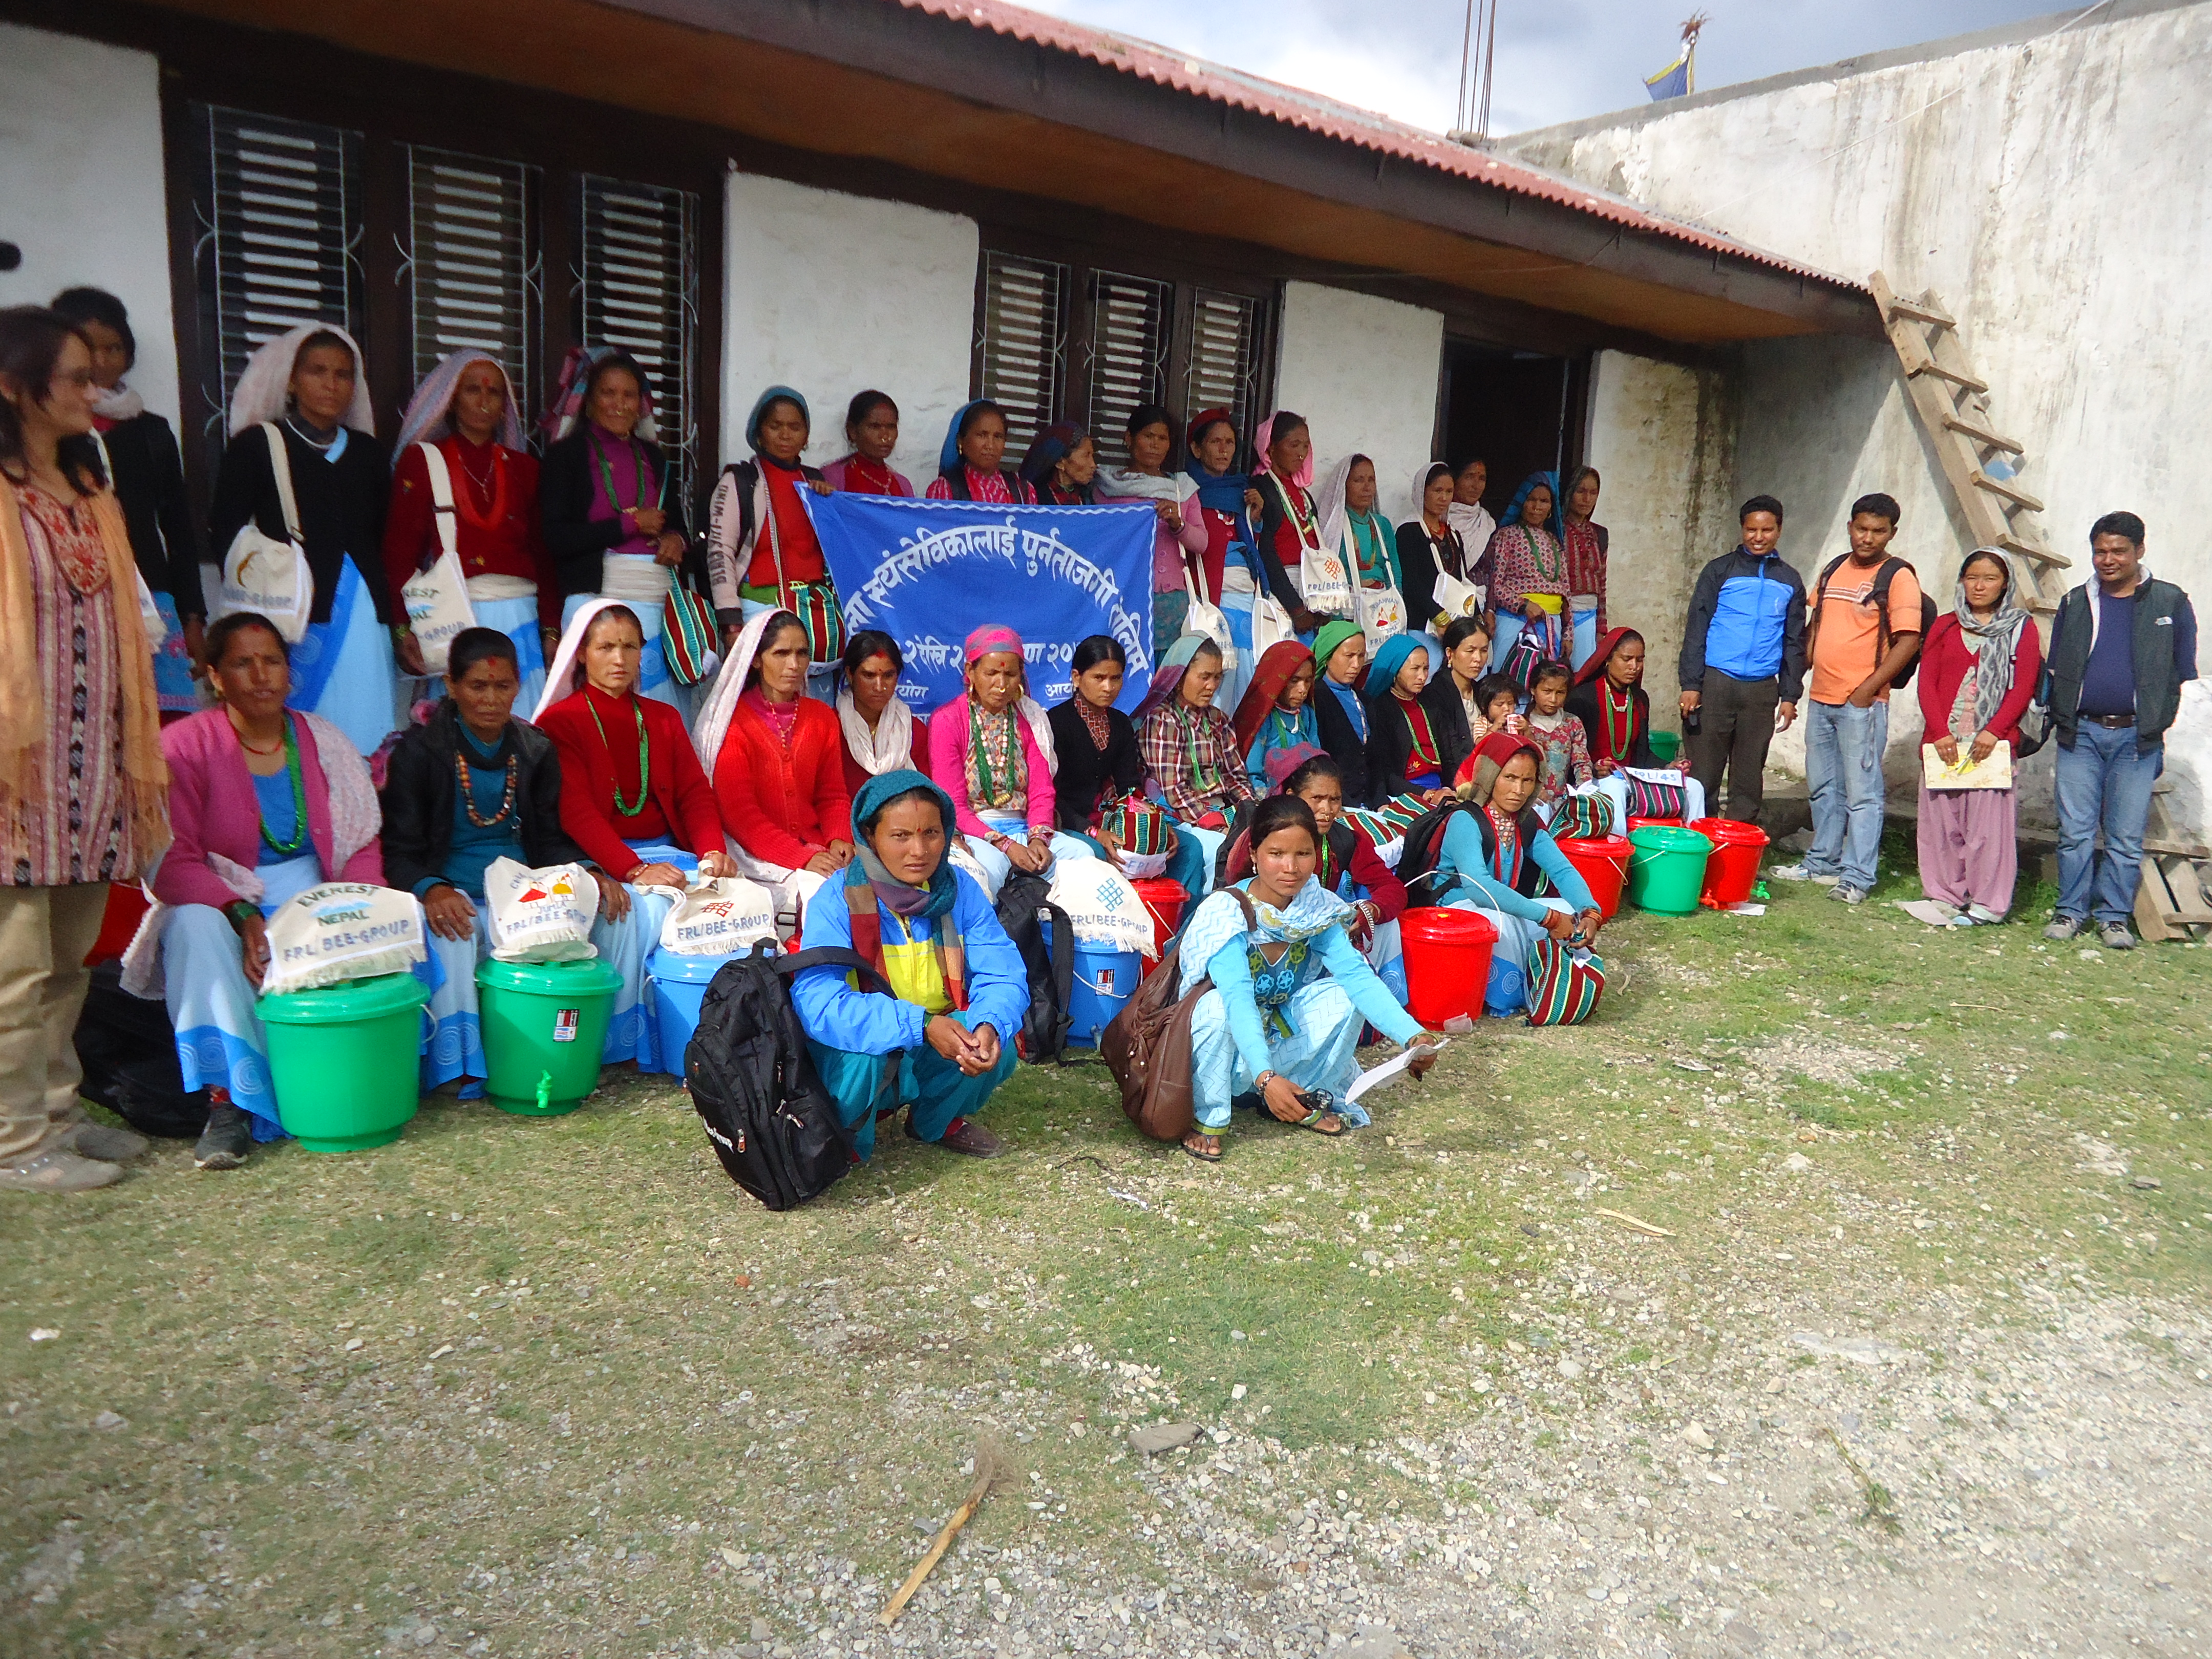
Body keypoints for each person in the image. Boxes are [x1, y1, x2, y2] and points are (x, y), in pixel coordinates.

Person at [0, 307, 169, 1192]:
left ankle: (60, 1115)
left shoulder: (88, 486)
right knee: (15, 967)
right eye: (72, 376)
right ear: (13, 386)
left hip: (93, 765)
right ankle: (15, 1142)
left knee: (69, 960)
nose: (91, 389)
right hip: (14, 772)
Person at [143, 613, 382, 1168]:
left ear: (289, 672)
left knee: (394, 921)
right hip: (223, 896)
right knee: (191, 925)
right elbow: (169, 863)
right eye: (242, 663)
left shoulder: (324, 740)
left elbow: (361, 841)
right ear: (215, 676)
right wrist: (242, 913)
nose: (260, 675)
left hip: (319, 894)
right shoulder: (182, 746)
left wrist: (357, 912)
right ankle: (226, 1103)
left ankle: (354, 1078)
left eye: (272, 661)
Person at [380, 627, 597, 1095]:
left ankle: (561, 1050)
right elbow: (399, 850)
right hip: (451, 890)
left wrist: (591, 874)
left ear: (519, 686)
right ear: (452, 686)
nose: (491, 699)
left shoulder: (534, 749)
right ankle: (455, 1064)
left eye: (503, 686)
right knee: (455, 929)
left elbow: (550, 840)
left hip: (524, 893)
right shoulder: (418, 753)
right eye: (478, 686)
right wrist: (432, 889)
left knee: (599, 910)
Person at [1174, 795, 1439, 1162]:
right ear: (1253, 854)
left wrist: (1413, 1036)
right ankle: (1210, 1115)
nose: (1291, 868)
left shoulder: (1317, 908)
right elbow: (1238, 998)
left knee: (1345, 996)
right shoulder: (1226, 912)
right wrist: (1265, 1077)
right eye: (1276, 853)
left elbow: (1358, 977)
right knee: (1216, 1006)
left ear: (1317, 855)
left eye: (1303, 854)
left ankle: (1301, 1097)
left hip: (1275, 1037)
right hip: (1225, 1046)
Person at [534, 601, 736, 1065]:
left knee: (725, 897)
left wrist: (712, 850)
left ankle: (707, 1034)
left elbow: (694, 793)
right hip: (602, 859)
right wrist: (634, 869)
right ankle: (622, 1041)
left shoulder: (662, 717)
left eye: (630, 647)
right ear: (581, 654)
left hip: (669, 854)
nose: (620, 659)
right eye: (606, 647)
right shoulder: (560, 722)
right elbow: (576, 812)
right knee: (643, 910)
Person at [790, 771, 1023, 1160]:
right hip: (874, 1040)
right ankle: (848, 1139)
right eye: (900, 836)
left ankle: (935, 1121)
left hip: (935, 1032)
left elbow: (1002, 972)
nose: (919, 850)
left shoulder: (960, 889)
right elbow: (819, 1004)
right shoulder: (838, 897)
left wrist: (989, 1024)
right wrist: (920, 1025)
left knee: (994, 1039)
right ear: (870, 837)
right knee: (862, 1059)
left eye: (931, 833)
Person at [209, 324, 412, 758]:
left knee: (365, 727)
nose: (330, 384)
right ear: (292, 381)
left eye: (343, 375)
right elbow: (226, 531)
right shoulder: (257, 446)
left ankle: (364, 799)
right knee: (298, 736)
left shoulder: (369, 454)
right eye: (317, 371)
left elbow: (386, 537)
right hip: (291, 614)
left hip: (362, 615)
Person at [2043, 511, 2199, 947]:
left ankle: (2114, 918)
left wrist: (2157, 721)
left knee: (2126, 837)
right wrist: (2061, 714)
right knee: (2074, 833)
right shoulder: (2076, 601)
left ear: (2139, 551)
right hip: (2081, 735)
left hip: (2136, 739)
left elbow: (2181, 671)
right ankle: (2070, 912)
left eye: (2118, 551)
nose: (2108, 560)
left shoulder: (2169, 602)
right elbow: (2058, 665)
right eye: (2100, 552)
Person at [49, 286, 204, 715]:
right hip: (79, 594)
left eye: (113, 348)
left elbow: (178, 526)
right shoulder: (54, 433)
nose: (101, 361)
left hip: (152, 593)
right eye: (88, 349)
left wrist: (193, 615)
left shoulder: (151, 431)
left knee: (162, 720)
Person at [1770, 493, 1923, 905]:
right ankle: (1822, 861)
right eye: (1861, 529)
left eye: (1878, 531)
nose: (1868, 538)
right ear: (1850, 527)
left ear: (1892, 533)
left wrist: (1866, 690)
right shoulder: (1834, 568)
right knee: (1823, 788)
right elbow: (1815, 628)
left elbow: (1908, 641)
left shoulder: (1898, 577)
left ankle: (1857, 877)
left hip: (1863, 705)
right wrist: (1794, 684)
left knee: (1863, 795)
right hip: (1821, 698)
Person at [384, 351, 557, 710]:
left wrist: (551, 630)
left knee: (523, 724)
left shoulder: (525, 469)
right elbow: (399, 554)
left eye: (494, 392)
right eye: (472, 390)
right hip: (453, 620)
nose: (484, 401)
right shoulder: (422, 462)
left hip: (521, 621)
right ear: (451, 399)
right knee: (460, 725)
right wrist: (402, 627)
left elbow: (544, 557)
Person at [539, 350, 699, 711]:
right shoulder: (567, 457)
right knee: (601, 709)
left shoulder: (654, 458)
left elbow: (677, 524)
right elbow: (556, 538)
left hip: (656, 606)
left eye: (629, 395)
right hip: (594, 600)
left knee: (654, 713)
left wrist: (676, 540)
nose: (619, 404)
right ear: (589, 401)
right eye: (608, 393)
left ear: (641, 403)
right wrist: (630, 524)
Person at [694, 608, 854, 929]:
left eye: (802, 653)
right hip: (753, 857)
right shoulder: (732, 725)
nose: (794, 665)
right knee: (825, 901)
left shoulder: (822, 718)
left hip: (818, 850)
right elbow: (740, 817)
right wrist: (802, 858)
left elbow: (833, 795)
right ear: (755, 659)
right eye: (781, 653)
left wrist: (839, 839)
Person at [1428, 733, 1606, 1020]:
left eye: (1527, 780)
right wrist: (1548, 918)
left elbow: (1561, 870)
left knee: (1570, 914)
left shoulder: (1526, 821)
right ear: (1490, 777)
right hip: (1456, 912)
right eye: (1509, 778)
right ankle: (1509, 994)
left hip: (1501, 907)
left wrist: (1589, 911)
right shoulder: (1465, 820)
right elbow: (1480, 889)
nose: (1519, 790)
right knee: (1507, 922)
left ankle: (1547, 980)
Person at [1913, 550, 2042, 926]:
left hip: (1991, 744)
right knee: (1942, 825)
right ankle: (1945, 895)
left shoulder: (2020, 628)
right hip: (1945, 741)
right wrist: (1939, 732)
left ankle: (1988, 902)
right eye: (1972, 577)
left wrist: (1994, 731)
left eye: (1990, 578)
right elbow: (1927, 682)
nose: (1979, 586)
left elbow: (2023, 686)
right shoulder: (1945, 626)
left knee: (1988, 829)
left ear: (2005, 584)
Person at [1048, 635, 1212, 897]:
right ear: (1077, 678)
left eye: (1116, 678)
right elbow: (1052, 796)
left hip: (1113, 819)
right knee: (1098, 853)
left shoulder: (1120, 724)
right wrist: (1094, 832)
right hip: (1070, 823)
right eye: (1099, 678)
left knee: (1188, 847)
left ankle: (1179, 920)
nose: (1108, 687)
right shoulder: (1056, 723)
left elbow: (1130, 787)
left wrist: (1156, 824)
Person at [927, 625, 1084, 896]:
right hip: (975, 832)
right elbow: (952, 804)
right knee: (988, 872)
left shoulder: (1031, 719)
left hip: (1026, 829)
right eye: (991, 673)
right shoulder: (948, 720)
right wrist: (1006, 846)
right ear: (970, 672)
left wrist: (1039, 839)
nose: (1001, 685)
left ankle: (1056, 924)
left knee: (1081, 858)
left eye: (1010, 675)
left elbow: (1042, 791)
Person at [1678, 495, 1807, 824]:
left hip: (1761, 690)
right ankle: (1698, 836)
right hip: (1716, 682)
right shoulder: (1720, 571)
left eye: (1767, 530)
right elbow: (1697, 627)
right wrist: (1691, 684)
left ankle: (1738, 841)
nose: (1758, 537)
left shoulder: (1790, 580)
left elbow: (1794, 641)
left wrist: (1790, 695)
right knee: (1704, 772)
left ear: (1779, 530)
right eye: (1751, 530)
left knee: (1749, 777)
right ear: (1742, 529)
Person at [1221, 749, 1407, 955]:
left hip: (1317, 936)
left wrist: (1373, 910)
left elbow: (1390, 887)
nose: (1327, 810)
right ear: (1291, 796)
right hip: (1258, 939)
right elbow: (1233, 892)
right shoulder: (1262, 837)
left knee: (1388, 926)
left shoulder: (1344, 840)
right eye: (1317, 798)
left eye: (1335, 799)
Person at [707, 386, 836, 641]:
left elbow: (836, 552)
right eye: (775, 426)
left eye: (795, 427)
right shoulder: (740, 482)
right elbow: (720, 553)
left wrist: (830, 505)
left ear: (806, 436)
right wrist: (731, 623)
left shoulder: (815, 483)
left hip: (816, 613)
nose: (785, 435)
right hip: (760, 610)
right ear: (759, 433)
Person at [1138, 633, 1258, 878]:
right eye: (1205, 677)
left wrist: (1252, 813)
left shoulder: (1218, 720)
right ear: (1180, 678)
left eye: (1217, 677)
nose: (1212, 686)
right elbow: (1174, 790)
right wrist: (1216, 825)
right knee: (1224, 851)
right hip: (1181, 818)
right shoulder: (1163, 720)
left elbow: (1236, 778)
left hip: (1224, 813)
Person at [1566, 627, 1706, 827]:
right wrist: (1594, 768)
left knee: (1694, 787)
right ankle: (1618, 845)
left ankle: (1694, 842)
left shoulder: (1640, 699)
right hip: (1596, 780)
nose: (1634, 667)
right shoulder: (1583, 698)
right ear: (1608, 659)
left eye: (1640, 660)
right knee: (1614, 787)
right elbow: (1572, 753)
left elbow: (1642, 754)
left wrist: (1669, 766)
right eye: (1627, 659)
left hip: (1633, 777)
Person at [1097, 404, 1207, 655]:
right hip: (1122, 599)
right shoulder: (1107, 488)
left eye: (1162, 438)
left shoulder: (1182, 488)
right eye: (1148, 436)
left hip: (1170, 605)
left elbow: (1202, 543)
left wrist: (1178, 524)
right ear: (1129, 438)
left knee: (1168, 672)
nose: (1155, 445)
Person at [1247, 411, 1329, 635]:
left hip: (1312, 592)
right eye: (1294, 445)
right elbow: (1266, 550)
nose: (1302, 453)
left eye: (1306, 446)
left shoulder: (1303, 495)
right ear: (1271, 447)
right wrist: (1295, 607)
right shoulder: (1262, 489)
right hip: (1283, 591)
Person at [1364, 633, 1467, 805]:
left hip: (1442, 791)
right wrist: (1427, 795)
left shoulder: (1431, 704)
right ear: (1396, 670)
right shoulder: (1381, 709)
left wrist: (1457, 788)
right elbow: (1384, 772)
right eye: (1415, 669)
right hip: (1406, 794)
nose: (1422, 676)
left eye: (1426, 669)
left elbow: (1451, 755)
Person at [1483, 472, 1568, 679]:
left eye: (1544, 501)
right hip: (1515, 620)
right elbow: (1495, 585)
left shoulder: (1556, 543)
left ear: (1552, 507)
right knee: (1506, 681)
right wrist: (1523, 606)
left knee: (1544, 685)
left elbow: (1566, 592)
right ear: (1522, 502)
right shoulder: (1506, 536)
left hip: (1551, 624)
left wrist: (1568, 634)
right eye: (1531, 500)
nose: (1537, 506)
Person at [834, 629, 929, 798]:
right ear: (850, 674)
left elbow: (926, 795)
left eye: (888, 675)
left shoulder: (914, 732)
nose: (879, 687)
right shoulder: (831, 728)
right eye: (869, 675)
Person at [1317, 453, 1405, 616]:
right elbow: (1327, 575)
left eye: (1371, 480)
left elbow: (1394, 569)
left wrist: (1397, 605)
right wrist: (1337, 618)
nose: (1367, 487)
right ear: (1344, 485)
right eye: (1358, 480)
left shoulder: (1382, 525)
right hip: (1346, 608)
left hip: (1382, 609)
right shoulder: (1333, 526)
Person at [1230, 640, 1319, 790]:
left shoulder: (1306, 715)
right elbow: (1253, 775)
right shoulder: (1261, 718)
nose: (1303, 689)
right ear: (1277, 678)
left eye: (1308, 681)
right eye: (1294, 681)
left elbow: (1317, 762)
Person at [1398, 462, 1474, 633]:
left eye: (1449, 492)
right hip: (1421, 622)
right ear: (1422, 492)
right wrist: (1438, 616)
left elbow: (1462, 578)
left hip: (1454, 618)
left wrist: (1475, 614)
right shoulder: (1408, 531)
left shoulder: (1453, 534)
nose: (1444, 498)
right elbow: (1411, 582)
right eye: (1438, 491)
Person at [1309, 619, 1375, 807]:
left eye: (1361, 656)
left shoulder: (1365, 700)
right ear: (1328, 656)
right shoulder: (1316, 699)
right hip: (1336, 804)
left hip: (1370, 802)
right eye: (1349, 656)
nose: (1356, 664)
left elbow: (1375, 761)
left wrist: (1380, 802)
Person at [1521, 660, 1594, 814]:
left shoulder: (1572, 723)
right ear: (1533, 689)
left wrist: (1584, 791)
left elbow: (1582, 763)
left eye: (1560, 693)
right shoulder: (1522, 724)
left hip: (1563, 800)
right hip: (1531, 800)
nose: (1553, 699)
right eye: (1547, 691)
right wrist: (1533, 791)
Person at [927, 401, 1035, 503]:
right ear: (961, 440)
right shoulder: (945, 489)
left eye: (998, 437)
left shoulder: (1023, 491)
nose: (990, 445)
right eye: (982, 435)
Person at [1560, 466, 1610, 668]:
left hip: (1590, 616)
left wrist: (1601, 627)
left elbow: (1602, 583)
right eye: (1581, 491)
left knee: (1583, 676)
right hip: (1562, 616)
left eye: (1593, 493)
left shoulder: (1600, 535)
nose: (1587, 499)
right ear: (1569, 492)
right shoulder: (1557, 531)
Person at [822, 390, 914, 497]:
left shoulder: (903, 485)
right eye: (875, 427)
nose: (885, 437)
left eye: (891, 427)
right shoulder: (832, 478)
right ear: (853, 431)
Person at [1423, 616, 1494, 753]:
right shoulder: (1434, 696)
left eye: (1484, 651)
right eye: (1470, 651)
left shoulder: (1482, 691)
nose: (1478, 659)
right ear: (1450, 654)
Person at [1018, 421, 1096, 505]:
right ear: (1060, 463)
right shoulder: (1036, 498)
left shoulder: (1089, 496)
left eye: (1092, 456)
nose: (1093, 465)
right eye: (1086, 456)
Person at [1447, 457, 1495, 571]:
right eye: (1469, 477)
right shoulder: (1439, 519)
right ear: (1454, 480)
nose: (1476, 486)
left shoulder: (1487, 522)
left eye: (1482, 479)